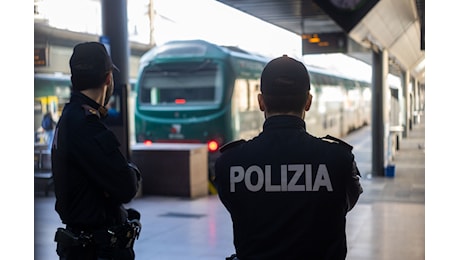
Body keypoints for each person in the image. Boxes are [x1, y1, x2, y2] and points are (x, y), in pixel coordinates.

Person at [214, 55, 363, 260]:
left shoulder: (229, 164)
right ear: (308, 101)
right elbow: (344, 203)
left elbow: (235, 205)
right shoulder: (338, 159)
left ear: (261, 102)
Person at [52, 42, 142, 260]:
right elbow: (127, 186)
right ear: (108, 79)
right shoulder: (86, 125)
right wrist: (132, 171)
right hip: (97, 252)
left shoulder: (69, 118)